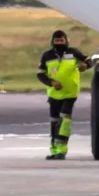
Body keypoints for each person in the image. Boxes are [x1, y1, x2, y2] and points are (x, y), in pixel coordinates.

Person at [37, 30, 83, 160]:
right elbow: (40, 74)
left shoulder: (73, 52)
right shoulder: (46, 56)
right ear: (52, 42)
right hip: (54, 94)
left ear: (66, 41)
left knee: (64, 122)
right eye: (57, 41)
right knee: (54, 122)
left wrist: (84, 65)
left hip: (70, 93)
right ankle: (54, 150)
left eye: (61, 41)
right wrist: (51, 82)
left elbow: (88, 61)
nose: (59, 43)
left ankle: (62, 150)